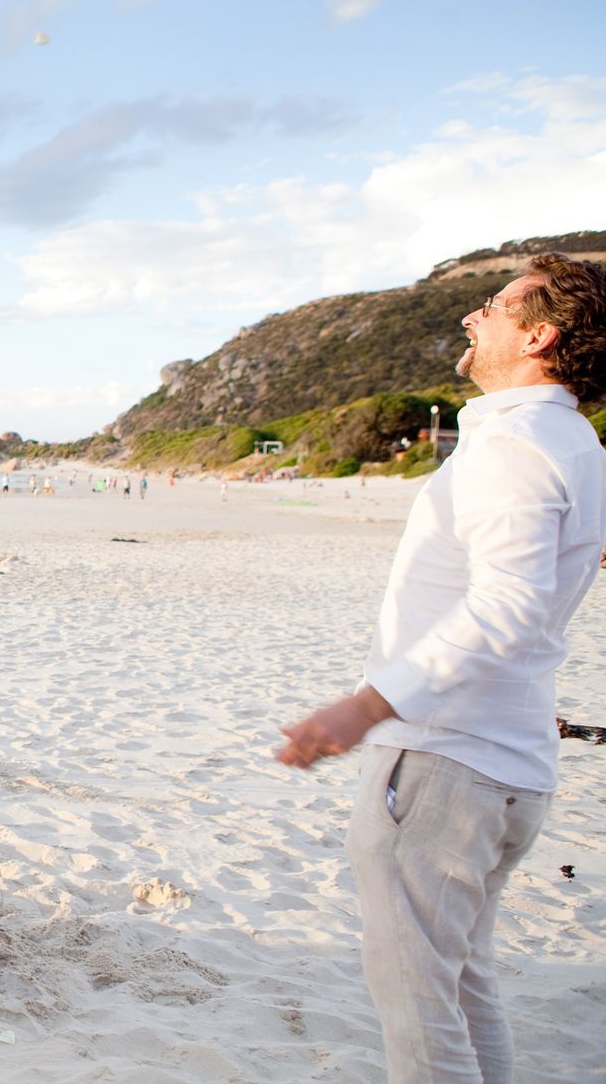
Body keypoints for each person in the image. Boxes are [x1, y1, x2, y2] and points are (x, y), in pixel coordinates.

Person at [277, 254, 606, 1084]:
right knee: (461, 985)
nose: (472, 317)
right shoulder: (572, 441)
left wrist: (367, 705)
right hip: (506, 759)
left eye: (492, 304)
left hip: (445, 762)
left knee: (421, 1013)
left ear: (539, 335)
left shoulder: (519, 446)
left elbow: (508, 606)